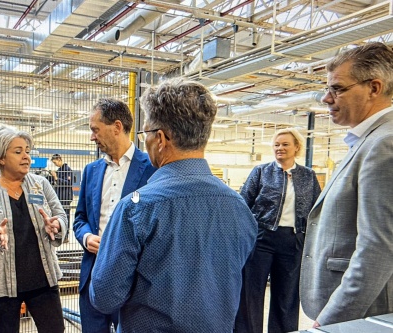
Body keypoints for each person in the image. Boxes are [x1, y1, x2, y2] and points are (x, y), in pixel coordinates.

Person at [89, 78, 257, 332]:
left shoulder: (136, 207)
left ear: (161, 139)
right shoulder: (239, 208)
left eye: (145, 133)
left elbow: (105, 296)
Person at [300, 42, 393, 327]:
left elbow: (377, 248)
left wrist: (332, 319)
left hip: (360, 313)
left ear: (374, 88)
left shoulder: (383, 144)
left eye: (337, 89)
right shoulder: (367, 140)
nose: (327, 99)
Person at [73, 98, 156, 333]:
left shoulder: (152, 167)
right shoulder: (91, 171)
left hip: (133, 282)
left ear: (117, 127)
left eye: (95, 129)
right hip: (93, 277)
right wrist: (87, 237)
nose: (92, 137)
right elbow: (80, 219)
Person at [0, 125, 68, 333]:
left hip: (43, 280)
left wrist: (57, 224)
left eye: (27, 150)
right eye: (18, 152)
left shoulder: (41, 184)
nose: (26, 156)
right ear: (0, 158)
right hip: (3, 287)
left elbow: (61, 216)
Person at [234, 128, 321, 333]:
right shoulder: (261, 171)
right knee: (251, 293)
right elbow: (243, 203)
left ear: (296, 147)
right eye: (276, 145)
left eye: (285, 144)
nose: (279, 148)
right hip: (262, 238)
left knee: (287, 295)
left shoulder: (308, 175)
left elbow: (317, 208)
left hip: (293, 240)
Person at [51, 154, 74, 239]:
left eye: (55, 162)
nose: (55, 164)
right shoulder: (59, 170)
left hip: (66, 197)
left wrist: (56, 178)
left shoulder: (68, 170)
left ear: (59, 159)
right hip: (60, 197)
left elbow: (68, 183)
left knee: (66, 216)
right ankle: (61, 234)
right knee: (60, 216)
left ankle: (66, 236)